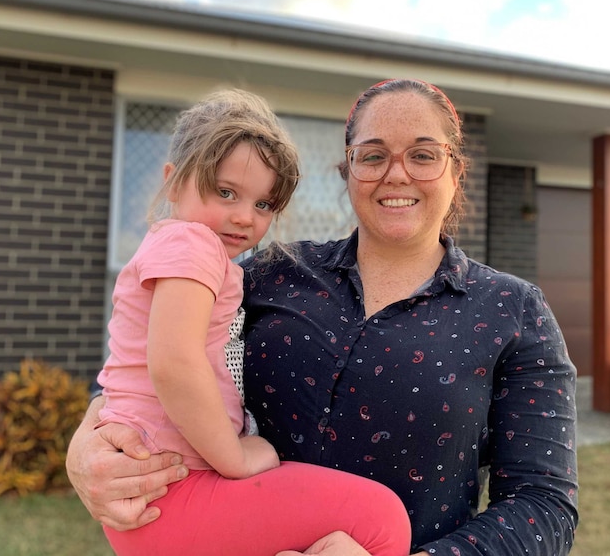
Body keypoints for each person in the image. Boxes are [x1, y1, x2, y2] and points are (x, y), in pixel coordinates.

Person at [67, 79, 579, 556]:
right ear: (347, 172)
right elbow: (155, 359)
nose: (396, 173)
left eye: (423, 155)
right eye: (372, 155)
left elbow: (544, 508)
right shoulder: (268, 275)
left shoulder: (513, 312)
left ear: (455, 170)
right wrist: (86, 449)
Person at [93, 88, 411, 556]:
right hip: (173, 490)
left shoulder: (184, 250)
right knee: (380, 521)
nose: (244, 217)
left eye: (263, 205)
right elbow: (173, 362)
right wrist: (235, 455)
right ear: (174, 181)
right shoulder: (192, 246)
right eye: (225, 192)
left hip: (157, 493)